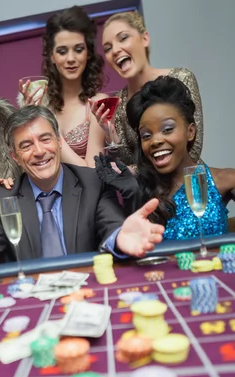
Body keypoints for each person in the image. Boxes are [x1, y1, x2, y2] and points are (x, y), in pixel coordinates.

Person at [0, 105, 165, 281]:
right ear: (14, 156)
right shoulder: (3, 196)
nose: (38, 151)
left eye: (45, 139)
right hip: (33, 302)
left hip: (86, 293)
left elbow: (110, 226)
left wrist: (120, 237)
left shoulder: (91, 182)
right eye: (26, 145)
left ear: (59, 141)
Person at [97, 76, 232, 240]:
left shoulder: (223, 180)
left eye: (167, 129)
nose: (155, 141)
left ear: (190, 132)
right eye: (146, 135)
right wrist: (130, 194)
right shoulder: (143, 192)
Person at [92, 11, 203, 167]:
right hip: (149, 191)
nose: (115, 50)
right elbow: (128, 162)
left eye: (123, 38)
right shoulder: (119, 103)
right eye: (108, 48)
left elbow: (194, 149)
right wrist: (110, 132)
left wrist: (141, 172)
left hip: (188, 182)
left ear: (145, 38)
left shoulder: (181, 78)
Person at [20, 6, 107, 167]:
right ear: (52, 56)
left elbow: (93, 172)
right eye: (62, 51)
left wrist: (51, 129)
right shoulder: (43, 105)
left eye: (78, 49)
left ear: (88, 53)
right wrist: (29, 118)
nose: (71, 58)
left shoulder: (97, 105)